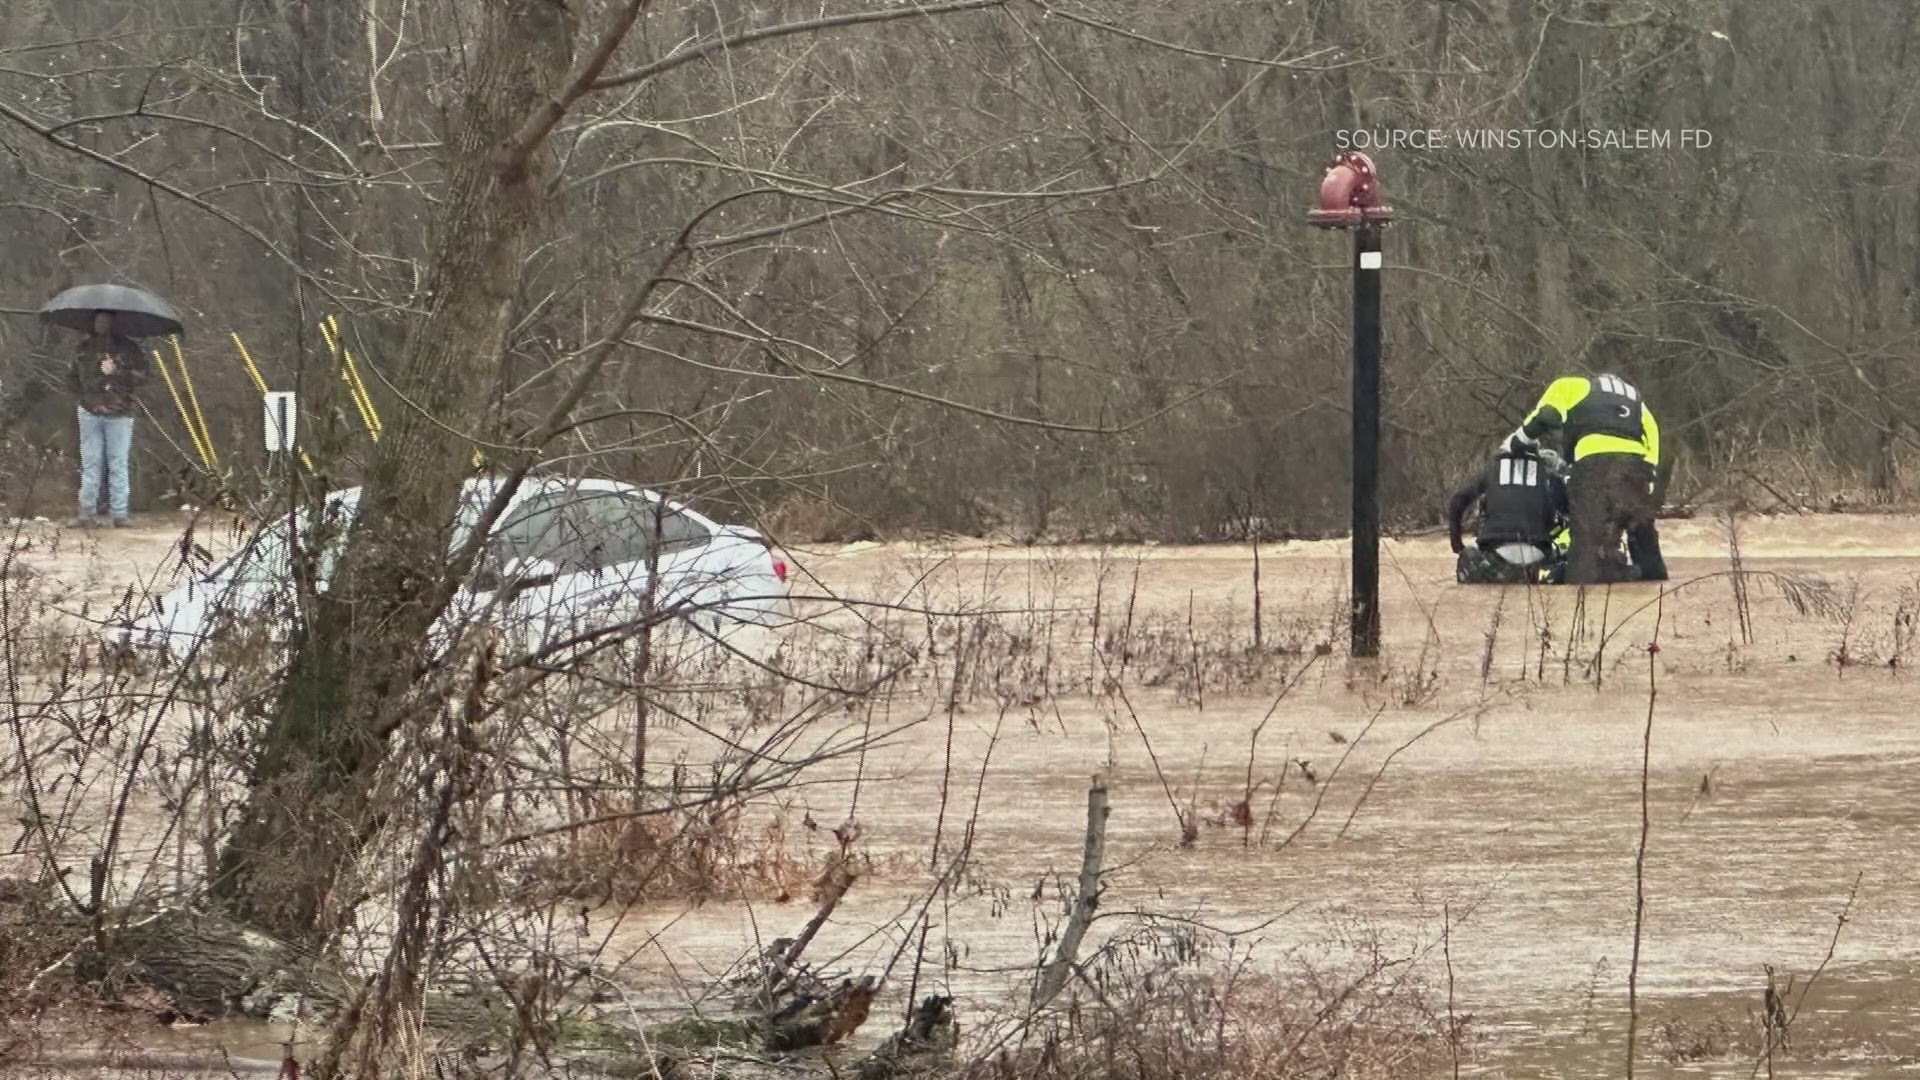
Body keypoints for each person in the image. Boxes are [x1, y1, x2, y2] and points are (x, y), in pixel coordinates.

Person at [1502, 371, 1667, 584]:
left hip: (1593, 464)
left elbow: (1547, 415)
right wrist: (1648, 479)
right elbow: (1652, 435)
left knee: (1585, 544)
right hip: (1636, 467)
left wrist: (1518, 442)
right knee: (1642, 533)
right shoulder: (1636, 399)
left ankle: (1585, 598)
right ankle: (1649, 584)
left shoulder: (1571, 386)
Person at [68, 310, 148, 527]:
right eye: (98, 321)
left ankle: (119, 513)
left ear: (114, 323)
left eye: (105, 321)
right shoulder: (84, 349)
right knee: (91, 463)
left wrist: (118, 371)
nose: (101, 325)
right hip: (89, 410)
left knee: (118, 463)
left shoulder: (130, 349)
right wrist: (86, 397)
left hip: (120, 411)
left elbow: (143, 376)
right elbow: (72, 379)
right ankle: (86, 512)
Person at [1448, 445, 1570, 584]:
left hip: (1497, 558)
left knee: (1467, 557)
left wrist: (1456, 543)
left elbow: (1457, 501)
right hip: (1540, 558)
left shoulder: (1491, 470)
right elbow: (1570, 511)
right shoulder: (1548, 474)